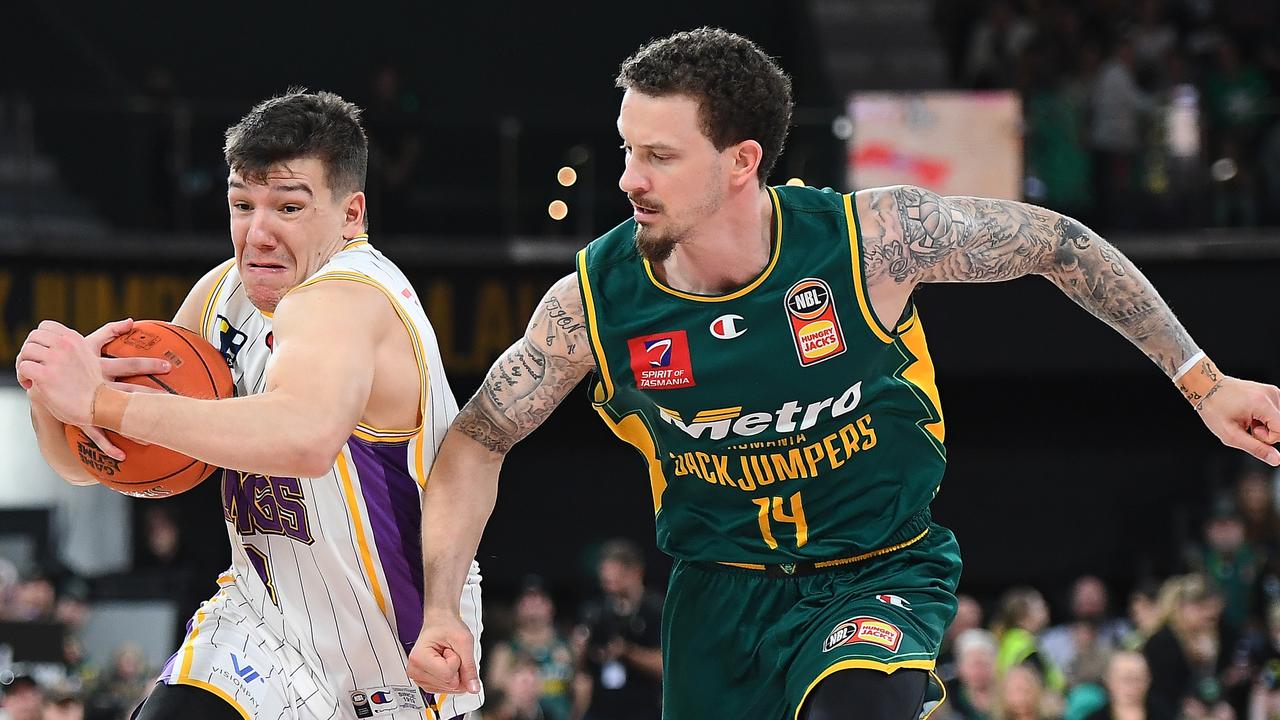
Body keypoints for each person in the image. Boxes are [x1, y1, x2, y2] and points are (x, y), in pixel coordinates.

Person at [407, 26, 1280, 720]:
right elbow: (480, 435)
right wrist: (443, 604)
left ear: (742, 160)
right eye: (629, 149)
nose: (630, 178)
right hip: (718, 596)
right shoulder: (594, 301)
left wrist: (1204, 381)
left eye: (660, 156)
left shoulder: (870, 244)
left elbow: (1057, 243)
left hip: (878, 567)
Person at [16, 90, 483, 720]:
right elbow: (103, 468)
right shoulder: (220, 294)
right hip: (261, 623)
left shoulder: (350, 298)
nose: (258, 232)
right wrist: (55, 400)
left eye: (289, 206)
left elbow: (305, 439)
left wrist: (100, 401)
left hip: (389, 651)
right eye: (242, 204)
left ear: (351, 215)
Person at [572, 540, 663, 720]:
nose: (610, 586)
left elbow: (664, 665)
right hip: (601, 709)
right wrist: (578, 650)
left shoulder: (655, 609)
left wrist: (627, 652)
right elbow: (581, 672)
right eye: (606, 581)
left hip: (644, 709)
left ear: (636, 572)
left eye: (617, 578)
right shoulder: (594, 612)